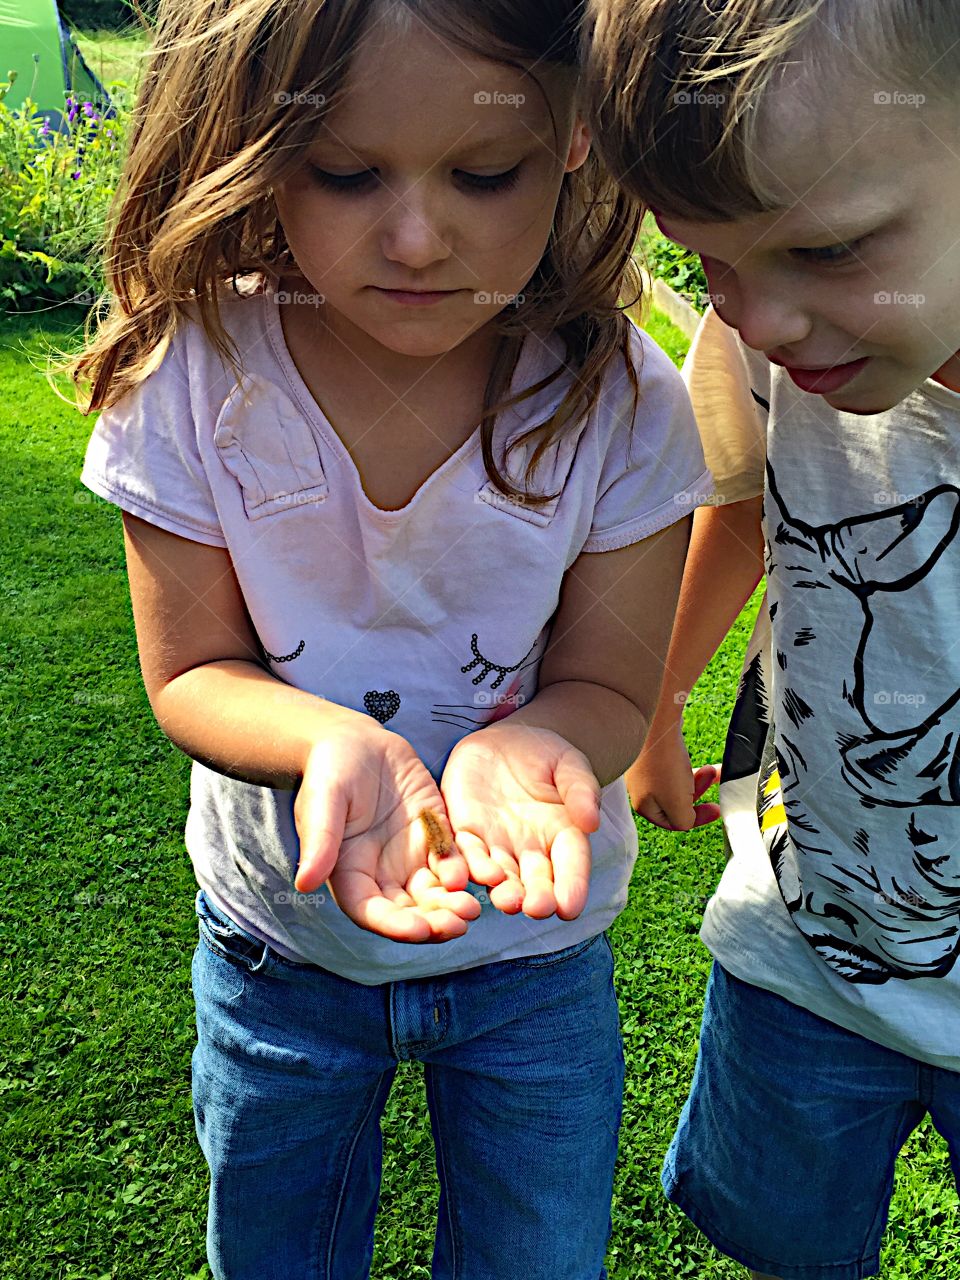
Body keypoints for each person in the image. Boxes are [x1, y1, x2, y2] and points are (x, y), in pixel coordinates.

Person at [65, 0, 713, 1275]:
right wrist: (332, 747)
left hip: (533, 964)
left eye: (485, 173)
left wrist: (526, 741)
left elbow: (604, 685)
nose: (418, 237)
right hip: (279, 954)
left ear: (574, 136)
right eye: (347, 172)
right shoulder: (194, 379)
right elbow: (191, 672)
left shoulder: (622, 401)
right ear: (254, 142)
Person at [583, 1, 960, 1277]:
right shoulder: (765, 347)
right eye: (710, 264)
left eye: (831, 249)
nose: (765, 320)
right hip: (803, 942)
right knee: (779, 1232)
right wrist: (654, 700)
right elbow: (740, 513)